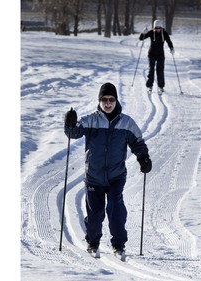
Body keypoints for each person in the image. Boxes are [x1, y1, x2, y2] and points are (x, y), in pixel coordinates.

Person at [64, 82, 152, 256]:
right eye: (104, 99)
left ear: (116, 100)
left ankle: (118, 244)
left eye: (111, 99)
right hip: (94, 176)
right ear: (99, 101)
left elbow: (138, 143)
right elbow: (73, 133)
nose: (108, 103)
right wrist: (69, 123)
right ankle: (93, 242)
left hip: (116, 176)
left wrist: (143, 158)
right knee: (95, 213)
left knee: (115, 208)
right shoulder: (92, 120)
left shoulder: (126, 123)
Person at [139, 19, 174, 95]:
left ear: (161, 28)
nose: (157, 30)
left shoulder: (164, 33)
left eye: (159, 28)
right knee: (151, 70)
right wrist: (143, 33)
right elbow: (141, 38)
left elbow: (169, 41)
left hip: (161, 54)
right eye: (156, 28)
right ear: (154, 28)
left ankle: (161, 87)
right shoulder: (151, 33)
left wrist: (171, 48)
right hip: (151, 54)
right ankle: (149, 86)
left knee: (160, 71)